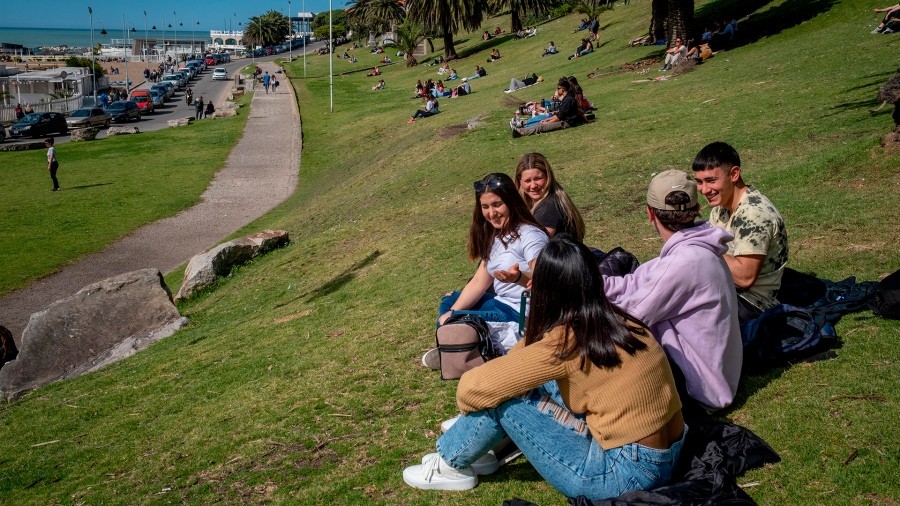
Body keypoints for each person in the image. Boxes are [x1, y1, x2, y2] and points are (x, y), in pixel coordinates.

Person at [404, 234, 686, 498]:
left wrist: (493, 392)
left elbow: (471, 389)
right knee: (520, 381)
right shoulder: (619, 319)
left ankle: (450, 463)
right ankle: (479, 444)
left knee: (503, 397)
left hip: (623, 474)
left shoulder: (566, 341)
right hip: (668, 453)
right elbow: (520, 360)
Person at [603, 170, 742, 413]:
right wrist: (584, 282)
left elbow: (628, 319)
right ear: (697, 209)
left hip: (703, 391)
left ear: (649, 213)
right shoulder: (697, 248)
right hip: (716, 375)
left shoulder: (683, 262)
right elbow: (634, 282)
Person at [422, 173, 550, 368]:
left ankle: (459, 351)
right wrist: (452, 312)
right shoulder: (496, 237)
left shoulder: (530, 235)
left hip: (521, 314)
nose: (492, 213)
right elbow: (478, 282)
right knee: (449, 301)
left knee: (457, 318)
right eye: (485, 207)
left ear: (511, 202)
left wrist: (517, 278)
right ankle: (454, 347)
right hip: (501, 304)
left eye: (497, 204)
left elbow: (546, 279)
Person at [692, 142, 788, 323]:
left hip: (753, 304)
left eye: (711, 181)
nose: (704, 190)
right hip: (726, 290)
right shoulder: (720, 209)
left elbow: (744, 277)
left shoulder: (754, 215)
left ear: (734, 174)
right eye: (699, 182)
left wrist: (703, 244)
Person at [513, 152, 585, 240]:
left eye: (538, 178)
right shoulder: (553, 199)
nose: (533, 186)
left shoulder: (548, 208)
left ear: (548, 177)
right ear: (520, 181)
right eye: (527, 181)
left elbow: (538, 245)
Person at [512, 80, 586, 138]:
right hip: (563, 120)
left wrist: (548, 122)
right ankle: (520, 130)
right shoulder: (567, 98)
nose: (557, 90)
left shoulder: (568, 100)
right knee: (541, 122)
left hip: (566, 123)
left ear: (563, 89)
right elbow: (560, 113)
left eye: (558, 88)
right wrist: (548, 120)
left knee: (541, 127)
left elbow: (560, 117)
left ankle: (520, 132)